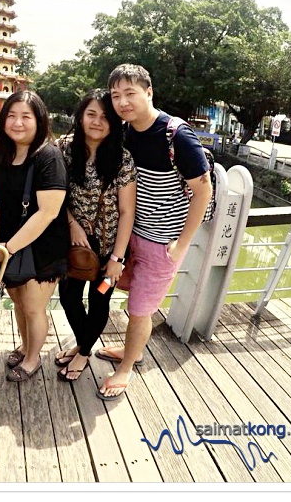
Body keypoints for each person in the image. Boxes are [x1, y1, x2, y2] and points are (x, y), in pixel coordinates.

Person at [98, 63, 212, 400]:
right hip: (131, 233)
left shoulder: (177, 136)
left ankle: (126, 367)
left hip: (163, 241)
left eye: (130, 93)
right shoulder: (126, 130)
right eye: (116, 95)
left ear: (149, 92)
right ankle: (132, 347)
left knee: (141, 309)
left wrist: (182, 244)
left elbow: (202, 192)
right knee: (119, 291)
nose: (122, 102)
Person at [0, 90, 69, 382]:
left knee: (33, 307)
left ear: (39, 120)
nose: (17, 123)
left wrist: (8, 248)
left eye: (26, 116)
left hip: (40, 246)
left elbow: (48, 212)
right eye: (11, 116)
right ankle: (24, 345)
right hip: (7, 244)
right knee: (18, 302)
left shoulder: (48, 156)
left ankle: (32, 359)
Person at [55, 90, 136, 382]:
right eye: (91, 114)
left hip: (109, 249)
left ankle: (84, 351)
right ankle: (84, 343)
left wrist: (117, 259)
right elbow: (52, 194)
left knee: (100, 299)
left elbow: (127, 211)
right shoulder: (63, 148)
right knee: (68, 297)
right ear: (81, 116)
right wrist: (73, 225)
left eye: (105, 117)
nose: (97, 122)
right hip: (75, 245)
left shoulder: (122, 159)